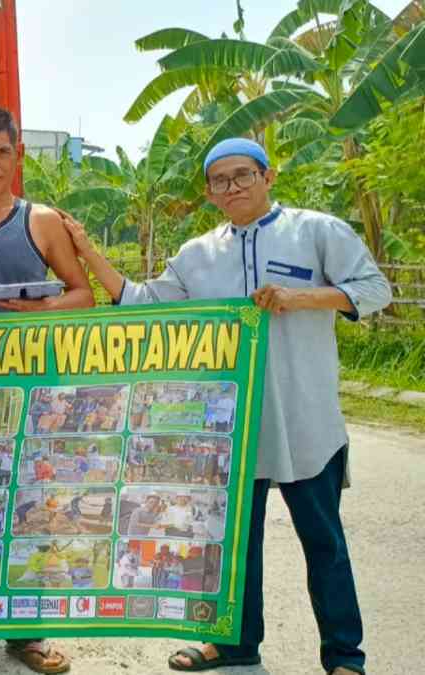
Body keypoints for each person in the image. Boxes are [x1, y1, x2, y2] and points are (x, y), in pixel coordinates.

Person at [64, 137, 390, 675]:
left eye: (243, 175)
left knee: (324, 543)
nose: (232, 186)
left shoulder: (316, 230)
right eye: (220, 180)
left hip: (306, 421)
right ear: (210, 192)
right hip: (231, 428)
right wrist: (85, 249)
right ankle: (237, 645)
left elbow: (374, 289)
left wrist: (301, 297)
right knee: (233, 547)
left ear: (268, 176)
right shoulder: (198, 255)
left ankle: (344, 657)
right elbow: (144, 302)